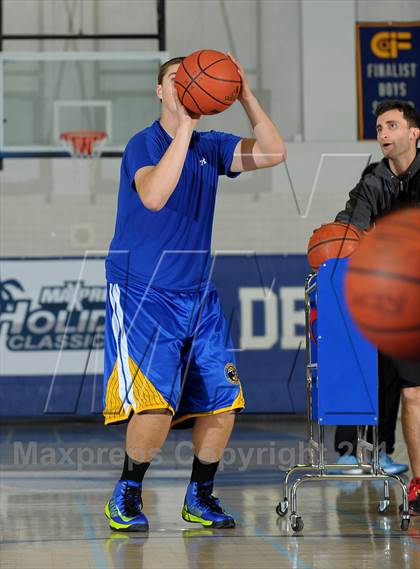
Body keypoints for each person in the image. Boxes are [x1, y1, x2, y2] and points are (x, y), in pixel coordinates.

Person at [103, 55, 286, 531]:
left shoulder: (213, 147)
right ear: (160, 91)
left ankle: (200, 496)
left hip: (196, 295)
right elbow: (154, 195)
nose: (184, 87)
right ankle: (127, 492)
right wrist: (184, 126)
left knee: (224, 402)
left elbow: (273, 152)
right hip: (142, 292)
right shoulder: (143, 144)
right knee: (156, 406)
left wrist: (244, 94)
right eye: (175, 80)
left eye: (190, 80)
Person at [334, 99, 420, 515]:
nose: (383, 133)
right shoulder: (373, 179)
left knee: (401, 383)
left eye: (391, 125)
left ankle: (380, 449)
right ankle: (355, 450)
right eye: (379, 127)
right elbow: (349, 226)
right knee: (367, 367)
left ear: (414, 133)